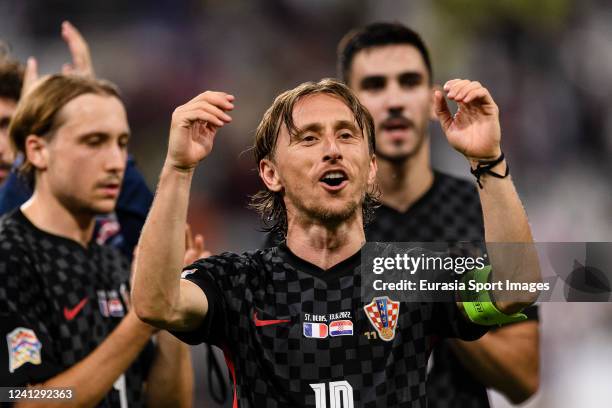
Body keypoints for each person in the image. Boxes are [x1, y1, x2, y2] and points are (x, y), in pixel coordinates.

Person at [132, 75, 539, 407]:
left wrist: (488, 160)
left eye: (346, 135)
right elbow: (156, 302)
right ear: (270, 174)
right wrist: (179, 167)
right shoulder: (240, 281)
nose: (331, 150)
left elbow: (518, 289)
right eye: (308, 138)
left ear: (371, 170)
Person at [335, 22, 539, 406]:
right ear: (347, 104)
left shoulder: (480, 208)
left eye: (409, 82)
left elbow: (524, 377)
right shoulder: (318, 217)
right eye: (375, 85)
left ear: (431, 98)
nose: (395, 100)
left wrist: (428, 294)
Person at [0, 74, 192, 407]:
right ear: (38, 151)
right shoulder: (9, 253)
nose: (116, 163)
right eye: (94, 142)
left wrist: (170, 310)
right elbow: (24, 402)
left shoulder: (115, 260)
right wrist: (140, 321)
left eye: (121, 143)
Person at [0, 21, 153, 261]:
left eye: (9, 126)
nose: (2, 146)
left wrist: (93, 115)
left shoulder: (93, 234)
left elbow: (145, 239)